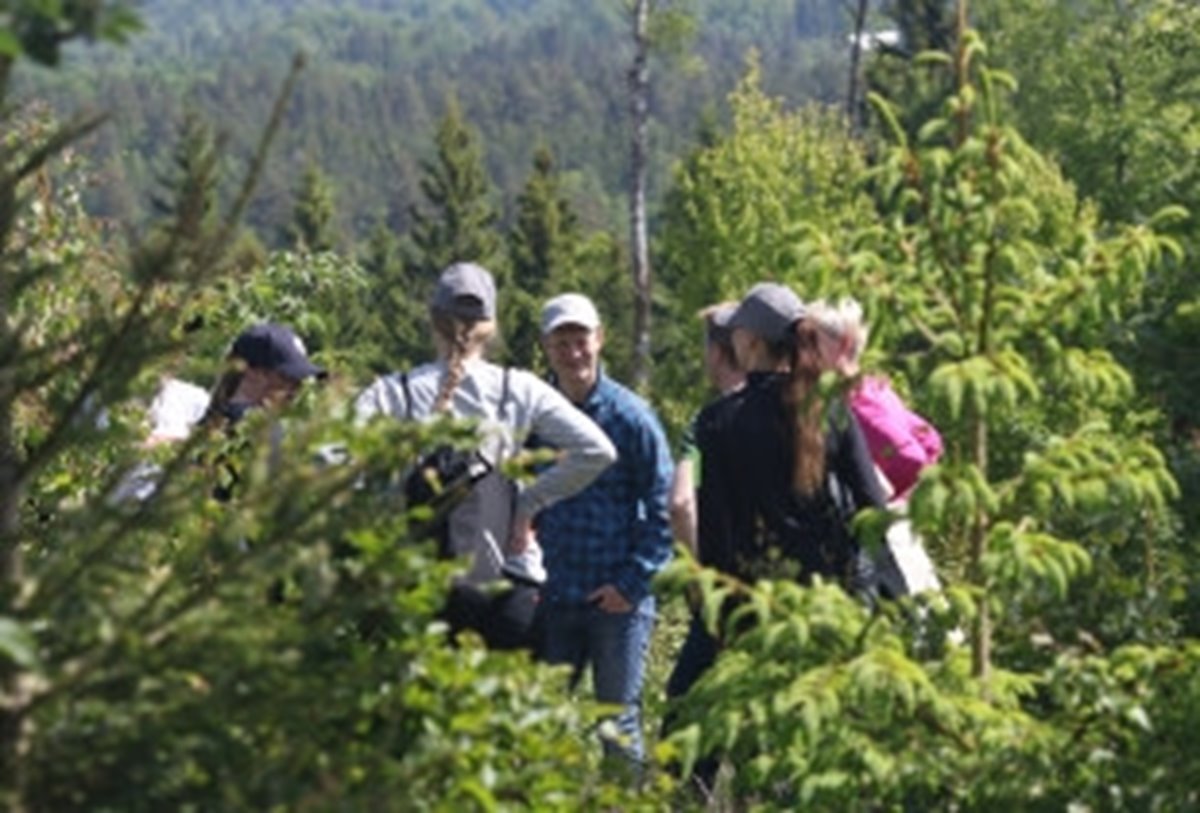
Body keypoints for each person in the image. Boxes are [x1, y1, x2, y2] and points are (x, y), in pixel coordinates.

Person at [670, 283, 887, 787]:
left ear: (747, 341)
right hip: (833, 602)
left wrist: (720, 613)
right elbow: (873, 506)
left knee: (763, 748)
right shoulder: (830, 408)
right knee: (826, 742)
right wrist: (857, 582)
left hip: (757, 608)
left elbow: (718, 531)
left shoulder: (717, 421)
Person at [354, 263, 617, 650]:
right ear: (490, 325)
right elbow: (598, 451)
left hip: (418, 596)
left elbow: (330, 463)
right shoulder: (519, 387)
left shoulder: (393, 393)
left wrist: (389, 504)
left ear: (433, 321)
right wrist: (526, 505)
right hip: (510, 594)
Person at [533, 292, 674, 767]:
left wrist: (632, 584)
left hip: (617, 601)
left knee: (618, 725)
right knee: (539, 723)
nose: (573, 353)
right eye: (562, 343)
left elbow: (664, 507)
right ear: (546, 348)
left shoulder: (631, 417)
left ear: (600, 340)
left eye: (581, 340)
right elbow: (514, 496)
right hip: (551, 597)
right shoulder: (535, 416)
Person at [807, 297, 942, 501]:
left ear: (843, 346)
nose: (801, 351)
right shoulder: (873, 388)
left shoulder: (860, 407)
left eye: (811, 341)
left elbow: (913, 458)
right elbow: (929, 439)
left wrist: (884, 498)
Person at [668, 302, 745, 554]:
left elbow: (681, 503)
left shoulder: (703, 424)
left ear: (716, 353)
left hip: (723, 573)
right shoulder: (785, 411)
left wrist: (693, 571)